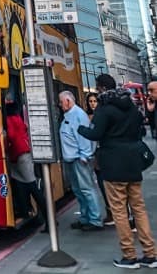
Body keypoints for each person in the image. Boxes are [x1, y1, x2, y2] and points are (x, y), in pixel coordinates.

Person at [78, 73, 157, 270]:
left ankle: (129, 256)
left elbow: (95, 133)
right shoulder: (130, 106)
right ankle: (150, 253)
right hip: (133, 163)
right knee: (139, 208)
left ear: (102, 88)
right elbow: (141, 129)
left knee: (120, 211)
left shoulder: (104, 109)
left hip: (113, 164)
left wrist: (81, 129)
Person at [58, 90, 104, 231]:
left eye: (61, 102)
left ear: (68, 101)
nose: (59, 105)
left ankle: (95, 220)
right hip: (71, 159)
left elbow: (84, 138)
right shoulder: (69, 115)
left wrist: (85, 155)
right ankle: (85, 217)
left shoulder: (78, 115)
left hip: (80, 159)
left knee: (87, 189)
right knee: (78, 191)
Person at [5, 101, 48, 230]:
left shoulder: (8, 119)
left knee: (32, 186)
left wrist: (4, 136)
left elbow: (11, 135)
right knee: (19, 183)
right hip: (23, 153)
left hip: (19, 155)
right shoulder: (18, 117)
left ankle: (48, 218)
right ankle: (25, 211)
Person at [86, 92, 114, 227]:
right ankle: (110, 211)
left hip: (102, 153)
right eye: (90, 101)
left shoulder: (101, 116)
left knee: (106, 183)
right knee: (101, 183)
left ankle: (112, 211)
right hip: (94, 153)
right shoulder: (88, 116)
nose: (92, 104)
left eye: (95, 101)